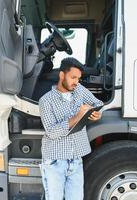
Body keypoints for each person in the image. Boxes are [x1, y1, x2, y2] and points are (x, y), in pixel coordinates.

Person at [38, 57, 103, 200]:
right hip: (55, 161)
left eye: (78, 78)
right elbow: (52, 132)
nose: (76, 82)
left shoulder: (79, 89)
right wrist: (78, 116)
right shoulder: (46, 101)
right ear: (62, 75)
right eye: (73, 77)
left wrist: (96, 113)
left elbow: (97, 102)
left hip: (76, 159)